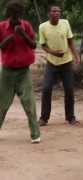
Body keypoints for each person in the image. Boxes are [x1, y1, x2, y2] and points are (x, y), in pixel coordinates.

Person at [0, 0, 40, 143]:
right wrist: (9, 38)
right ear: (9, 14)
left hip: (24, 71)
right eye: (14, 14)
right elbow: (1, 47)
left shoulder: (26, 26)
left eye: (19, 14)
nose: (17, 17)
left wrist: (23, 34)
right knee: (2, 104)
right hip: (7, 72)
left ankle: (35, 134)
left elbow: (34, 45)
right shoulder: (2, 27)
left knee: (29, 103)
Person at [38, 5, 80, 126]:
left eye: (58, 11)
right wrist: (53, 53)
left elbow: (70, 41)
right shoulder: (43, 27)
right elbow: (43, 45)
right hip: (52, 63)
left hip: (66, 62)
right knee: (46, 88)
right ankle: (44, 118)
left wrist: (76, 56)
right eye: (54, 11)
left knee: (69, 89)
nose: (57, 13)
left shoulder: (65, 23)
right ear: (49, 13)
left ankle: (70, 117)